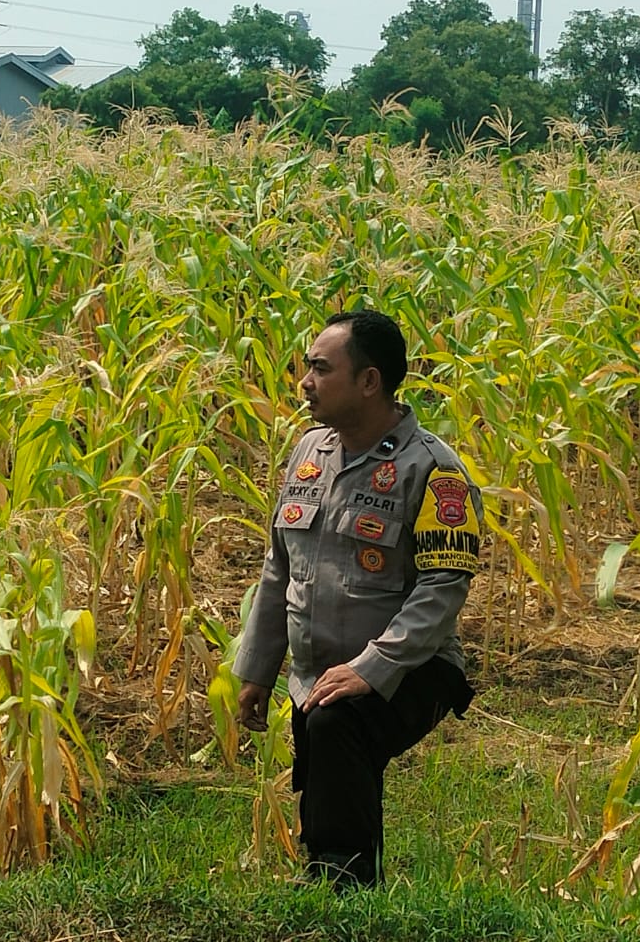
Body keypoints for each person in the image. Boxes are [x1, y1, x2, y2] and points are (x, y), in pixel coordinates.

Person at [233, 310, 480, 888]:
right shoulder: (309, 453)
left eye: (321, 369)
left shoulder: (434, 470)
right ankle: (332, 878)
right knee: (328, 748)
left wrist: (371, 668)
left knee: (337, 723)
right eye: (308, 367)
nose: (305, 382)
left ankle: (343, 883)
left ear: (369, 381)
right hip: (319, 671)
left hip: (414, 665)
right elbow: (279, 568)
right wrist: (258, 669)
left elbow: (443, 589)